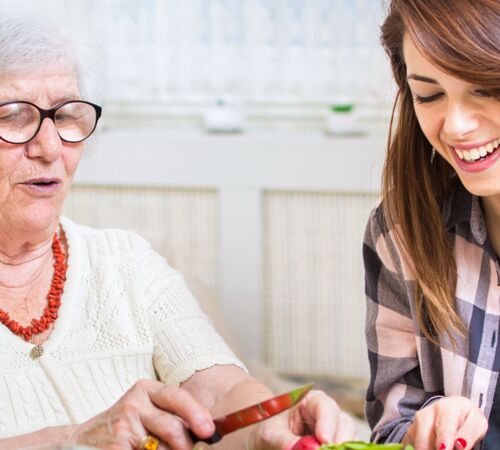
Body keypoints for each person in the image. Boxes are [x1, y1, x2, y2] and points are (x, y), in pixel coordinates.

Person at [0, 6, 357, 450]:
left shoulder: (126, 262)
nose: (50, 146)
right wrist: (72, 438)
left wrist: (273, 421)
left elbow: (216, 385)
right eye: (13, 115)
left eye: (68, 114)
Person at [363, 0, 500, 449]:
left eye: (486, 87)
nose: (457, 127)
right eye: (429, 94)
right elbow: (391, 427)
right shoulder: (400, 231)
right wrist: (425, 430)